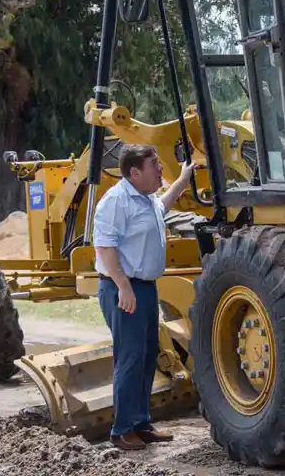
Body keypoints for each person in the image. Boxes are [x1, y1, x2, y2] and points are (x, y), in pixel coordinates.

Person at [92, 144, 198, 450]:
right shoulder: (115, 201)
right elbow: (105, 247)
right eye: (155, 165)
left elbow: (162, 208)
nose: (160, 168)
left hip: (145, 287)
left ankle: (140, 422)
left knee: (147, 356)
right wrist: (124, 286)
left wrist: (182, 181)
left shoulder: (146, 197)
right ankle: (122, 430)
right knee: (130, 359)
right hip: (123, 289)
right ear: (134, 172)